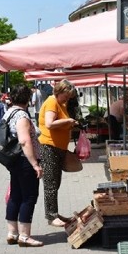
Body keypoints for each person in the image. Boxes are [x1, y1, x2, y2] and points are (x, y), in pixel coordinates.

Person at [2, 84, 44, 247]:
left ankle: (12, 233)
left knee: (16, 195)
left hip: (14, 160)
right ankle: (25, 236)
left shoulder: (9, 113)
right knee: (29, 197)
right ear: (28, 99)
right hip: (25, 160)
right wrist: (35, 164)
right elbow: (24, 141)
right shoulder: (22, 116)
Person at [38, 79, 79, 227]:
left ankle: (54, 212)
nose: (67, 99)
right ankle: (51, 215)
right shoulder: (51, 102)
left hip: (58, 147)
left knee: (56, 181)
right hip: (49, 146)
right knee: (51, 182)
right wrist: (68, 121)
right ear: (60, 92)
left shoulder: (60, 103)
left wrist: (70, 124)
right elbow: (49, 124)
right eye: (66, 96)